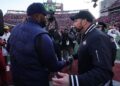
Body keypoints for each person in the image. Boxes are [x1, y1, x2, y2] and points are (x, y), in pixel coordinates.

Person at [7, 3, 68, 86]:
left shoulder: (15, 29)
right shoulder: (42, 35)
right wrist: (66, 61)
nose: (46, 18)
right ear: (38, 16)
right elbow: (53, 66)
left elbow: (8, 49)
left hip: (17, 80)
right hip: (36, 81)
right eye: (45, 15)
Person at [52, 10, 114, 86]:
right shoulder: (87, 34)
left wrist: (73, 81)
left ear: (84, 21)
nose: (73, 24)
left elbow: (103, 72)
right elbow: (84, 52)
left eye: (75, 21)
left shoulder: (97, 37)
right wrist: (70, 58)